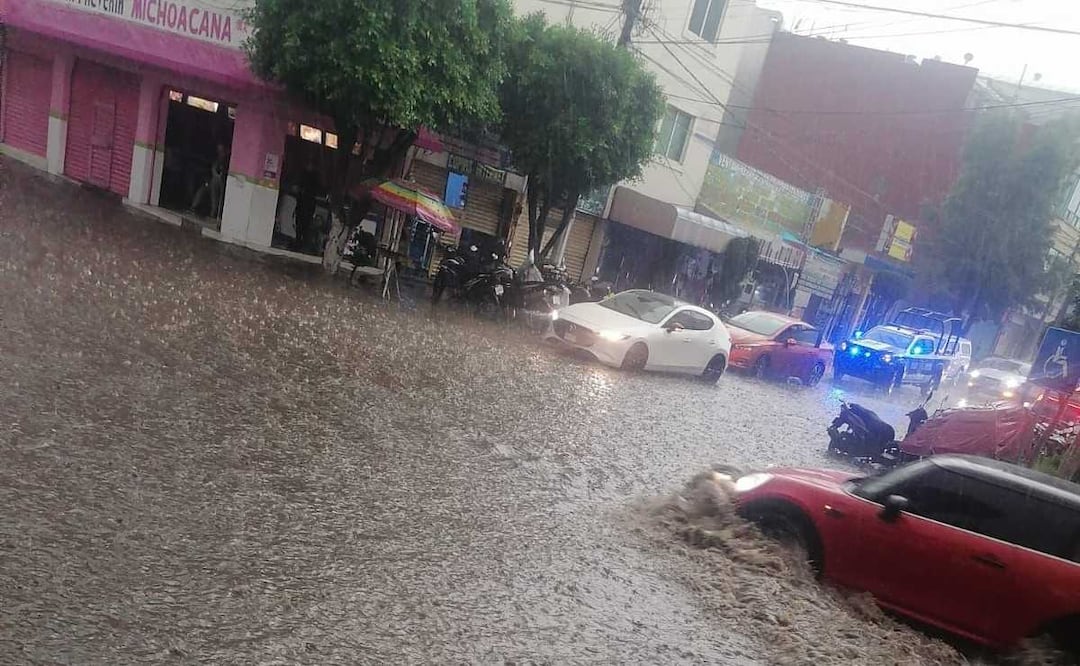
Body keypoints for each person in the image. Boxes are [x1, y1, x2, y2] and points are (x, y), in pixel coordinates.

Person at [191, 143, 229, 220]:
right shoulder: (216, 159)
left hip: (221, 184)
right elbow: (212, 171)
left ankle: (214, 213)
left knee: (216, 194)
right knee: (204, 189)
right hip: (212, 182)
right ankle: (194, 207)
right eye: (219, 150)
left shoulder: (226, 160)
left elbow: (222, 174)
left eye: (222, 150)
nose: (220, 152)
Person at [294, 159, 322, 253]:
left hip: (305, 204)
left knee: (303, 226)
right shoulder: (311, 177)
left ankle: (300, 244)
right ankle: (301, 244)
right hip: (305, 204)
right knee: (303, 225)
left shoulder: (310, 178)